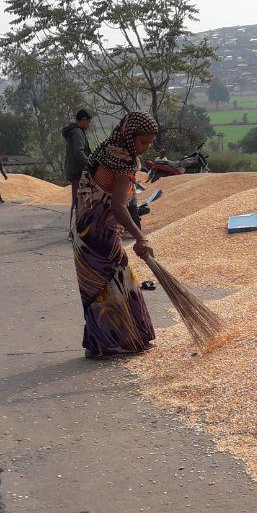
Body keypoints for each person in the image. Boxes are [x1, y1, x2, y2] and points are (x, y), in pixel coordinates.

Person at [72, 111, 159, 359]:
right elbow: (118, 207)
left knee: (107, 281)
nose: (146, 147)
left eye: (150, 142)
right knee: (116, 277)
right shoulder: (122, 162)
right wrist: (140, 238)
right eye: (143, 141)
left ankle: (111, 342)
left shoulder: (108, 149)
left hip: (85, 227)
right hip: (98, 230)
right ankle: (115, 342)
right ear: (130, 136)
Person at [62, 110, 93, 239]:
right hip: (78, 172)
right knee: (78, 201)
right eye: (89, 122)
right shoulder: (77, 132)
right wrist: (90, 163)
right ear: (84, 119)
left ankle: (78, 230)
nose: (89, 125)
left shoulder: (75, 131)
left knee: (79, 201)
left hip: (76, 171)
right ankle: (74, 232)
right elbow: (79, 152)